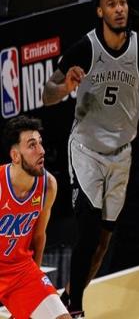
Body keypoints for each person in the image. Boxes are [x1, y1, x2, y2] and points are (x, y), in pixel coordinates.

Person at [42, 0, 139, 317]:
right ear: (99, 11)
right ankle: (77, 309)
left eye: (122, 2)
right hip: (87, 150)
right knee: (89, 228)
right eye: (111, 4)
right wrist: (64, 87)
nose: (119, 9)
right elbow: (47, 93)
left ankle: (70, 295)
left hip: (122, 152)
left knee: (102, 242)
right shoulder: (85, 48)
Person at [0, 116, 71, 319]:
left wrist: (35, 279)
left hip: (21, 271)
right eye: (32, 145)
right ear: (15, 156)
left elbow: (39, 236)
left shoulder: (48, 186)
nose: (41, 151)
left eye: (40, 143)